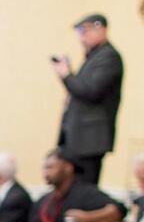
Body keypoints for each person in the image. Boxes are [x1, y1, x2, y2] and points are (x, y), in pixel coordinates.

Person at [52, 12, 123, 185]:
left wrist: (67, 76)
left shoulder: (108, 57)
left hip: (90, 141)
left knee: (83, 189)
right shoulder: (94, 57)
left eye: (85, 31)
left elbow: (91, 91)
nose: (82, 38)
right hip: (77, 139)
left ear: (101, 28)